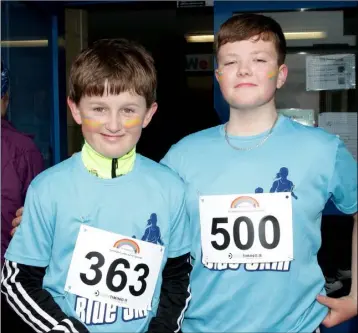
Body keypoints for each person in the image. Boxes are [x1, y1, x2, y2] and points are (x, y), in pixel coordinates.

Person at [160, 14, 357, 332]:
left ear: (280, 75)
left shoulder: (323, 149)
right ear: (219, 75)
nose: (244, 70)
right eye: (231, 61)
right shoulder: (181, 156)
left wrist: (356, 297)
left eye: (259, 59)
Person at [1, 39, 192, 333]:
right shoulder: (48, 188)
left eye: (128, 110)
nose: (113, 124)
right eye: (99, 108)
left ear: (149, 114)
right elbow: (16, 280)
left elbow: (179, 278)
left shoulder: (170, 188)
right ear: (75, 110)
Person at [1, 62, 44, 332]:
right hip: (7, 284)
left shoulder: (20, 149)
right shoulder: (21, 150)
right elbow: (37, 227)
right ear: (5, 99)